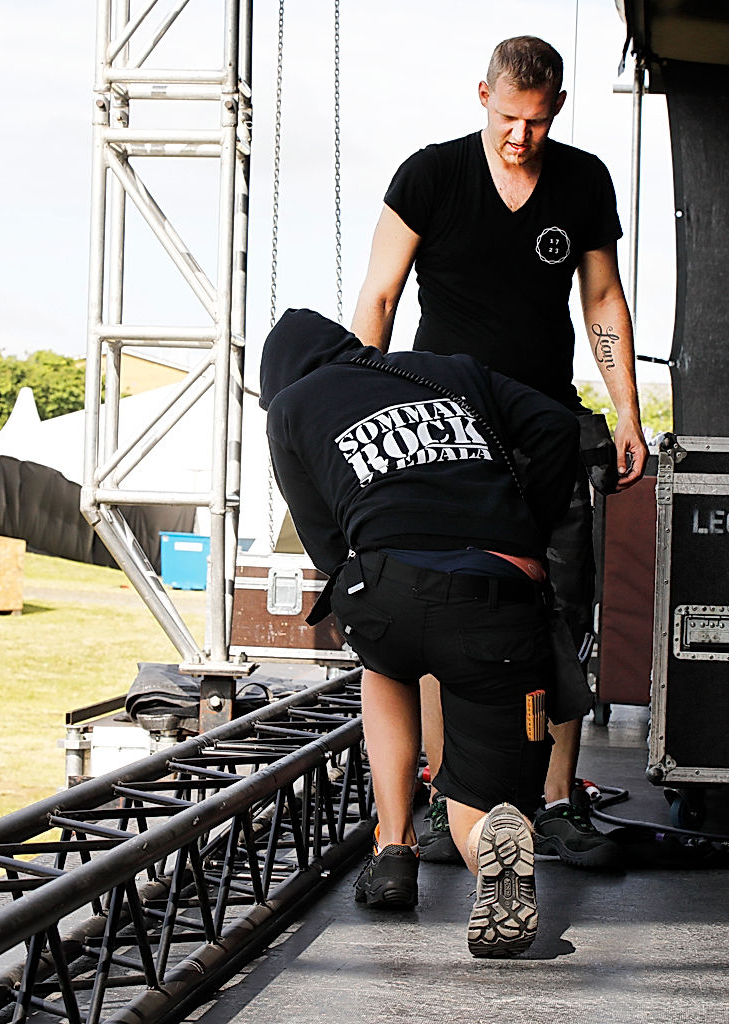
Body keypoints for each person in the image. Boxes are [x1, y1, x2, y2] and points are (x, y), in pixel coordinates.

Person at [351, 35, 648, 870]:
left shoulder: (582, 179)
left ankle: (556, 802)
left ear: (557, 109)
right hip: (445, 432)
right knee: (448, 609)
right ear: (481, 95)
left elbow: (601, 298)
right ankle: (455, 803)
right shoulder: (429, 175)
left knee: (560, 609)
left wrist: (625, 414)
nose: (522, 137)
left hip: (547, 427)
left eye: (539, 121)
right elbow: (378, 295)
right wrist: (370, 411)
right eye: (510, 118)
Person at [259, 307, 581, 957]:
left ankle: (393, 848)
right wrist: (525, 529)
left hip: (386, 595)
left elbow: (328, 549)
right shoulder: (446, 371)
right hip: (500, 597)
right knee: (478, 793)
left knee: (384, 654)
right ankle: (488, 835)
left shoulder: (292, 407)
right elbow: (553, 426)